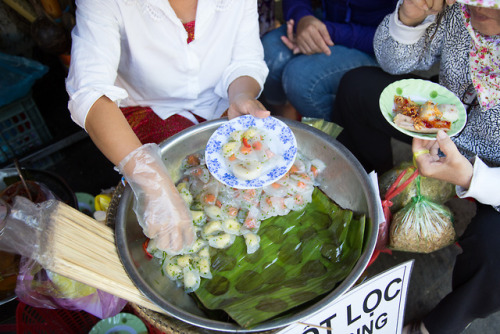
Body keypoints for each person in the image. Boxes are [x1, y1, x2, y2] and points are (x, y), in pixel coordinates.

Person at [332, 0, 500, 333]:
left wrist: (473, 179)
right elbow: (396, 63)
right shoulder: (460, 12)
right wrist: (409, 18)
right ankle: (377, 203)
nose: (479, 9)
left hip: (492, 167)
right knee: (356, 89)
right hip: (442, 120)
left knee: (495, 258)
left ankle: (437, 325)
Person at [65, 0, 269, 255]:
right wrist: (152, 180)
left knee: (248, 196)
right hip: (145, 108)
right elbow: (89, 92)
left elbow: (246, 59)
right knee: (170, 220)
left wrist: (241, 95)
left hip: (222, 104)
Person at [260, 0, 398, 120]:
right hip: (327, 19)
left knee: (302, 78)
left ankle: (336, 140)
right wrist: (301, 18)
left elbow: (397, 39)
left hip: (378, 46)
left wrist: (323, 33)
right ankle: (285, 118)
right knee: (270, 50)